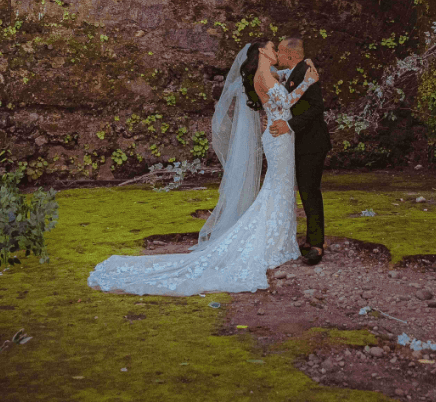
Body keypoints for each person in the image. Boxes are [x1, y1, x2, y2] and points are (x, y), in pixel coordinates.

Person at [86, 41, 319, 296]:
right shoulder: (263, 76)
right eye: (273, 47)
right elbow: (284, 102)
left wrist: (298, 71)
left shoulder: (265, 75)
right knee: (277, 186)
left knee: (280, 186)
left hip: (280, 137)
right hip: (279, 139)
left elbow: (282, 89)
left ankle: (279, 240)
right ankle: (272, 242)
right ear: (263, 52)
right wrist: (308, 82)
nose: (276, 50)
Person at [267, 36, 330, 264]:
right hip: (301, 143)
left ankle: (317, 245)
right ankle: (312, 239)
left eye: (281, 52)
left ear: (291, 55)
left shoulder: (305, 72)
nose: (278, 57)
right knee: (305, 191)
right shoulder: (297, 71)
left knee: (310, 191)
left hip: (312, 143)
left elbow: (317, 108)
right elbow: (272, 71)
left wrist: (289, 125)